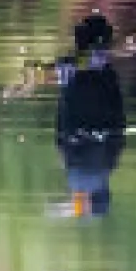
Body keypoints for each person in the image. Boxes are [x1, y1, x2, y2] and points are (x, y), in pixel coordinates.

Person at [52, 14, 126, 216]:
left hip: (99, 89)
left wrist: (110, 76)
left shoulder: (109, 165)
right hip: (76, 93)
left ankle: (90, 48)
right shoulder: (74, 178)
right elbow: (61, 135)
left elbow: (118, 120)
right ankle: (74, 65)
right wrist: (65, 86)